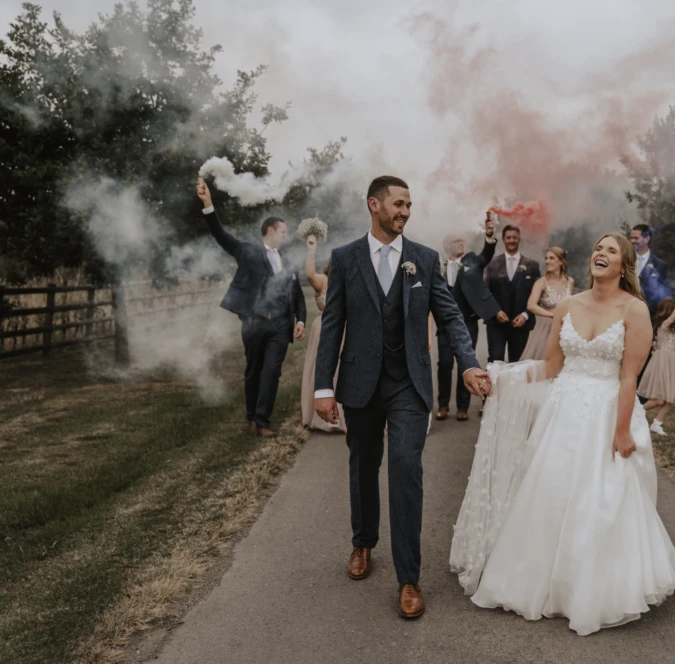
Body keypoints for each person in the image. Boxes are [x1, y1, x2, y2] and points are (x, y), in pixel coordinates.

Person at [451, 233, 675, 636]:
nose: (601, 253)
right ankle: (534, 577)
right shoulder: (568, 304)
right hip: (562, 412)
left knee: (598, 499)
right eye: (598, 248)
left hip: (606, 412)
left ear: (624, 265)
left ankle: (588, 587)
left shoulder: (634, 310)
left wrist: (621, 431)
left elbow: (628, 378)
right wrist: (504, 378)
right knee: (548, 491)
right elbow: (551, 366)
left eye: (611, 250)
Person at [313, 175, 491, 620]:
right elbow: (333, 326)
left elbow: (450, 319)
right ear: (374, 205)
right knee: (363, 465)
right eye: (398, 204)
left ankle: (409, 579)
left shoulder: (424, 260)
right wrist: (323, 387)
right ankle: (363, 542)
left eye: (409, 205)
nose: (405, 212)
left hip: (409, 384)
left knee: (406, 469)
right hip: (359, 384)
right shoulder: (345, 259)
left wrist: (468, 363)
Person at [196, 177, 306, 438]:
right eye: (283, 232)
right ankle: (251, 416)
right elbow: (220, 235)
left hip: (280, 324)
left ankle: (263, 420)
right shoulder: (247, 251)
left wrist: (300, 320)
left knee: (272, 371)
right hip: (255, 321)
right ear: (269, 231)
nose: (286, 236)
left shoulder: (288, 260)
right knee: (254, 371)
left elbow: (298, 294)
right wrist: (208, 205)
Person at [435, 213, 500, 421]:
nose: (461, 243)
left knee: (467, 362)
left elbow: (486, 256)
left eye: (462, 240)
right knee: (444, 364)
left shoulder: (472, 260)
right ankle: (443, 405)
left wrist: (489, 237)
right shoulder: (439, 265)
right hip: (445, 325)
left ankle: (463, 407)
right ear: (447, 246)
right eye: (456, 241)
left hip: (468, 322)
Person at [300, 236, 348, 434]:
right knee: (325, 370)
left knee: (343, 373)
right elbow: (309, 274)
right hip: (324, 330)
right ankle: (323, 415)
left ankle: (345, 417)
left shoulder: (348, 281)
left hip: (347, 330)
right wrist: (312, 250)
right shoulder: (323, 280)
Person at [638, 290, 675, 436]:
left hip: (671, 361)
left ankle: (657, 423)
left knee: (670, 399)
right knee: (658, 400)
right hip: (662, 361)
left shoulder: (673, 330)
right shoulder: (664, 325)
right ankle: (637, 412)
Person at [483, 224, 541, 364]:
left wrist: (525, 315)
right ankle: (495, 387)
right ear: (503, 239)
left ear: (519, 239)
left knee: (518, 363)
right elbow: (485, 292)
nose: (512, 240)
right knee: (495, 361)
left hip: (521, 324)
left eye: (514, 237)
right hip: (496, 324)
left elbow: (538, 295)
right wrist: (495, 311)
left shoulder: (532, 266)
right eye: (508, 237)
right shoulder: (492, 264)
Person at [520, 246, 573, 361]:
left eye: (551, 258)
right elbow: (531, 305)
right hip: (546, 328)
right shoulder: (541, 283)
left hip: (565, 328)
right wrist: (552, 315)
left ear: (561, 261)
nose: (547, 261)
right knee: (544, 362)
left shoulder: (570, 282)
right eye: (546, 258)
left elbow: (571, 304)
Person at [631, 224, 670, 317]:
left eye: (636, 238)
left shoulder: (660, 265)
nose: (632, 241)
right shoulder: (625, 261)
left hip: (649, 316)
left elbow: (662, 293)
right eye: (631, 238)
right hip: (626, 313)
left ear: (647, 239)